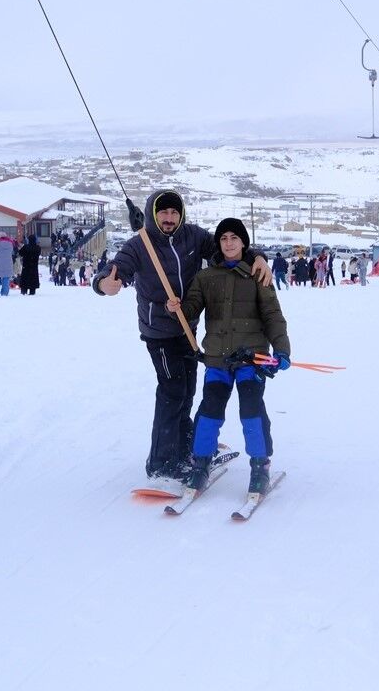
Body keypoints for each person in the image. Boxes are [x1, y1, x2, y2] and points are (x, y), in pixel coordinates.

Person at [93, 189, 272, 487]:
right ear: (153, 214)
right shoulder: (140, 245)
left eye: (174, 212)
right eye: (163, 212)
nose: (169, 217)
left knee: (187, 390)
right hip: (159, 332)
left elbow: (225, 251)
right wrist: (103, 283)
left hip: (188, 327)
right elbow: (115, 269)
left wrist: (258, 257)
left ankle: (186, 446)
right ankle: (162, 463)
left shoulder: (193, 237)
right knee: (172, 390)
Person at [165, 217, 290, 495]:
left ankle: (260, 466)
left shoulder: (259, 274)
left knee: (251, 411)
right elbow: (191, 311)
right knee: (209, 411)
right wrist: (177, 309)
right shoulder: (206, 277)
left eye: (234, 238)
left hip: (251, 360)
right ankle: (200, 464)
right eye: (223, 238)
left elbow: (273, 316)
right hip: (218, 359)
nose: (229, 243)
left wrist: (281, 349)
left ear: (243, 242)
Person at [0, 231, 16, 296]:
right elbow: (12, 252)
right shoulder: (10, 244)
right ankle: (5, 293)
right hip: (8, 263)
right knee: (6, 279)